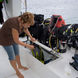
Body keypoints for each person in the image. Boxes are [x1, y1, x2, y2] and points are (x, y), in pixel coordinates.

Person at [0, 12, 36, 78]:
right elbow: (17, 41)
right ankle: (17, 72)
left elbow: (25, 29)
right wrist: (29, 46)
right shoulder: (14, 24)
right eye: (28, 24)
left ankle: (19, 66)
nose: (29, 26)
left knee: (17, 52)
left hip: (12, 36)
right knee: (12, 56)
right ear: (23, 21)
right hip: (4, 39)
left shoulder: (22, 22)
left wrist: (31, 37)